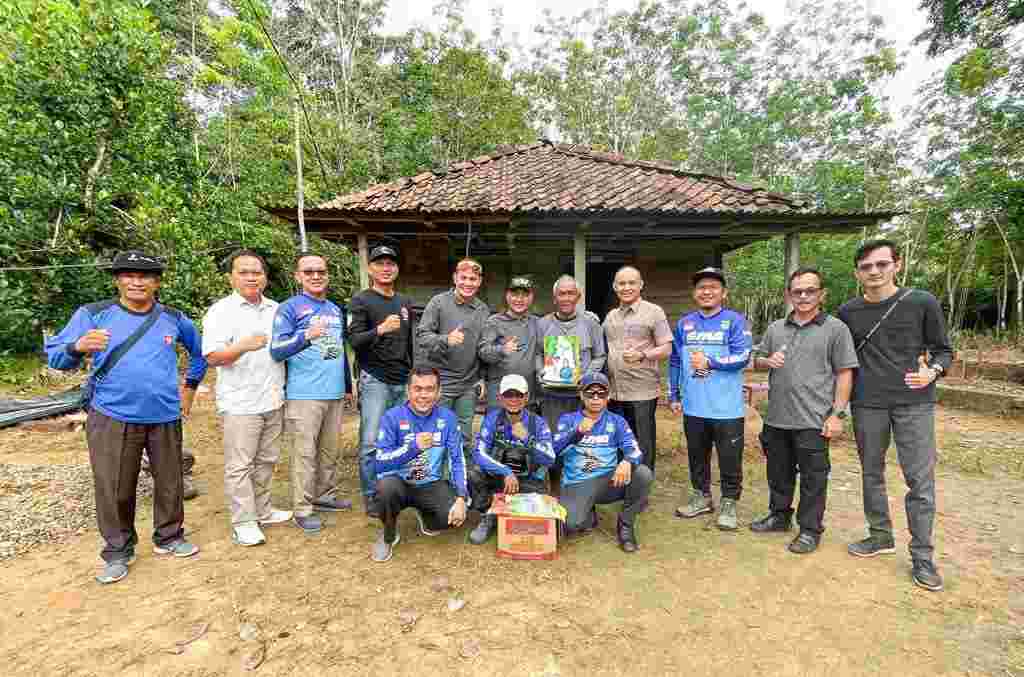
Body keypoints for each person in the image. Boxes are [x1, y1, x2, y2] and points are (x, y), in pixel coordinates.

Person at [44, 250, 207, 584]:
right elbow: (57, 358)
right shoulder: (93, 315)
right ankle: (118, 550)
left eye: (145, 275)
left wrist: (188, 389)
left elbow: (199, 353)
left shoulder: (173, 318)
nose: (137, 281)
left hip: (164, 414)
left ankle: (170, 536)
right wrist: (77, 347)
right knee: (113, 485)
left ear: (157, 282)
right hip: (112, 414)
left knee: (170, 481)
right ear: (118, 280)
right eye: (128, 274)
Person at [838, 239, 953, 592]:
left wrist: (931, 371)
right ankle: (880, 535)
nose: (874, 271)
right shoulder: (848, 312)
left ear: (896, 265)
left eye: (881, 264)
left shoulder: (921, 302)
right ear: (858, 273)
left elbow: (944, 351)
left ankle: (922, 556)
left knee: (920, 480)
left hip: (913, 402)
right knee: (871, 472)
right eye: (866, 267)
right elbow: (840, 360)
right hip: (867, 403)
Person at [750, 267, 858, 554]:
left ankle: (810, 529)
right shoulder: (776, 328)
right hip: (777, 417)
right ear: (789, 295)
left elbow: (845, 373)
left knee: (813, 477)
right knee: (778, 473)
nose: (804, 296)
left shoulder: (835, 329)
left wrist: (838, 414)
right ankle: (779, 516)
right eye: (797, 291)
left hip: (814, 419)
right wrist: (765, 361)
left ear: (821, 294)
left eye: (810, 290)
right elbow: (757, 359)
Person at [202, 249, 292, 547]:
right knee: (240, 464)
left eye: (256, 272)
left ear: (265, 277)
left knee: (267, 459)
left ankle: (263, 509)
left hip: (273, 396)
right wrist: (242, 346)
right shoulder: (220, 312)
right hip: (240, 403)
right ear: (231, 278)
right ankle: (244, 521)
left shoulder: (276, 309)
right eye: (244, 272)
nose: (252, 277)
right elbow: (213, 357)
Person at [270, 253, 353, 534]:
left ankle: (324, 495)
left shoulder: (334, 309)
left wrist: (348, 385)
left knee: (329, 450)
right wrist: (305, 336)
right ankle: (302, 508)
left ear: (327, 274)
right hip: (304, 393)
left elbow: (338, 350)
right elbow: (276, 350)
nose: (316, 276)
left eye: (320, 271)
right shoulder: (289, 308)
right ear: (298, 276)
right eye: (309, 272)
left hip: (334, 392)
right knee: (304, 453)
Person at [669, 267, 752, 530]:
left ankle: (729, 502)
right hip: (694, 405)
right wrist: (674, 393)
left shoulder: (735, 321)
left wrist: (711, 361)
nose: (707, 291)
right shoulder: (684, 324)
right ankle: (702, 496)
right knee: (697, 456)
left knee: (729, 458)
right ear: (695, 293)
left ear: (723, 293)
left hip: (727, 407)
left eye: (713, 287)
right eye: (701, 287)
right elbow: (675, 361)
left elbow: (743, 357)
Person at [371, 367, 469, 562]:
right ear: (408, 391)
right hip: (399, 484)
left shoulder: (447, 418)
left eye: (430, 389)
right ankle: (389, 535)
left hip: (430, 484)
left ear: (439, 392)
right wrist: (412, 447)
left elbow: (457, 459)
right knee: (385, 489)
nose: (423, 395)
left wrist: (461, 497)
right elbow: (379, 464)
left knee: (451, 517)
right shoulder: (392, 416)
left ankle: (428, 519)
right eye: (418, 389)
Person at [348, 244, 415, 517]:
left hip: (401, 380)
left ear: (397, 269)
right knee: (371, 443)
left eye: (391, 263)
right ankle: (371, 496)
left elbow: (409, 342)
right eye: (380, 263)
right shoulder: (361, 301)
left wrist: (412, 372)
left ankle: (394, 492)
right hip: (375, 379)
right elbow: (353, 340)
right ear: (370, 268)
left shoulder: (404, 302)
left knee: (399, 440)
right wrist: (380, 329)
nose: (386, 268)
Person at [552, 373, 653, 553]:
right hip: (578, 482)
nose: (596, 398)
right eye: (591, 393)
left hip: (608, 481)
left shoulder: (617, 421)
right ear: (582, 395)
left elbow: (635, 450)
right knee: (571, 525)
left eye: (602, 394)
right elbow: (553, 451)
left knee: (643, 474)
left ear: (608, 396)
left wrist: (627, 462)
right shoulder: (568, 420)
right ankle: (587, 512)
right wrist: (576, 433)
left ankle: (626, 526)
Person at [467, 374, 555, 545]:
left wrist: (529, 440)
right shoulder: (492, 418)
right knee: (473, 473)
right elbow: (478, 452)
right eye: (508, 395)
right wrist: (505, 472)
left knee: (532, 517)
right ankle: (488, 515)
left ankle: (507, 508)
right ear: (500, 398)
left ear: (527, 397)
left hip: (528, 480)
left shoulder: (538, 423)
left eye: (518, 395)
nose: (513, 399)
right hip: (501, 477)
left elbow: (550, 459)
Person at [536, 275, 606, 488]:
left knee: (582, 440)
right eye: (561, 293)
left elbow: (600, 355)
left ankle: (581, 486)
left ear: (578, 296)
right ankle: (555, 487)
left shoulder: (591, 324)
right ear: (554, 297)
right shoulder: (543, 324)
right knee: (554, 442)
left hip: (580, 398)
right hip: (552, 397)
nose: (566, 298)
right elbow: (538, 354)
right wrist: (541, 372)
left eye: (570, 293)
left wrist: (586, 377)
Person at [603, 266, 673, 472]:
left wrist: (643, 355)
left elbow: (667, 348)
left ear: (641, 285)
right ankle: (621, 483)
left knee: (642, 442)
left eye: (632, 283)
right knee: (619, 440)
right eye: (622, 283)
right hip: (616, 391)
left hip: (642, 391)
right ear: (615, 287)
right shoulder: (611, 317)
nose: (627, 287)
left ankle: (642, 485)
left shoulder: (654, 312)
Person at [416, 258, 490, 450]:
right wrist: (445, 339)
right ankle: (435, 478)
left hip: (468, 385)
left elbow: (482, 347)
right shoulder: (438, 303)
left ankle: (459, 478)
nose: (468, 283)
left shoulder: (482, 310)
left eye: (473, 279)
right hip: (441, 383)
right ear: (455, 278)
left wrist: (482, 377)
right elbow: (422, 337)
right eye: (463, 277)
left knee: (464, 438)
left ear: (479, 282)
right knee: (435, 436)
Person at [479, 277, 541, 411]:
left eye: (525, 295)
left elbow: (556, 322)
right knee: (497, 431)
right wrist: (502, 350)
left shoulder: (537, 322)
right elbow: (483, 352)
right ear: (507, 296)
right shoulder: (494, 322)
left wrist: (586, 316)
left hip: (527, 397)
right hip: (499, 397)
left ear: (531, 298)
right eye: (515, 295)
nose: (519, 299)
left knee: (526, 431)